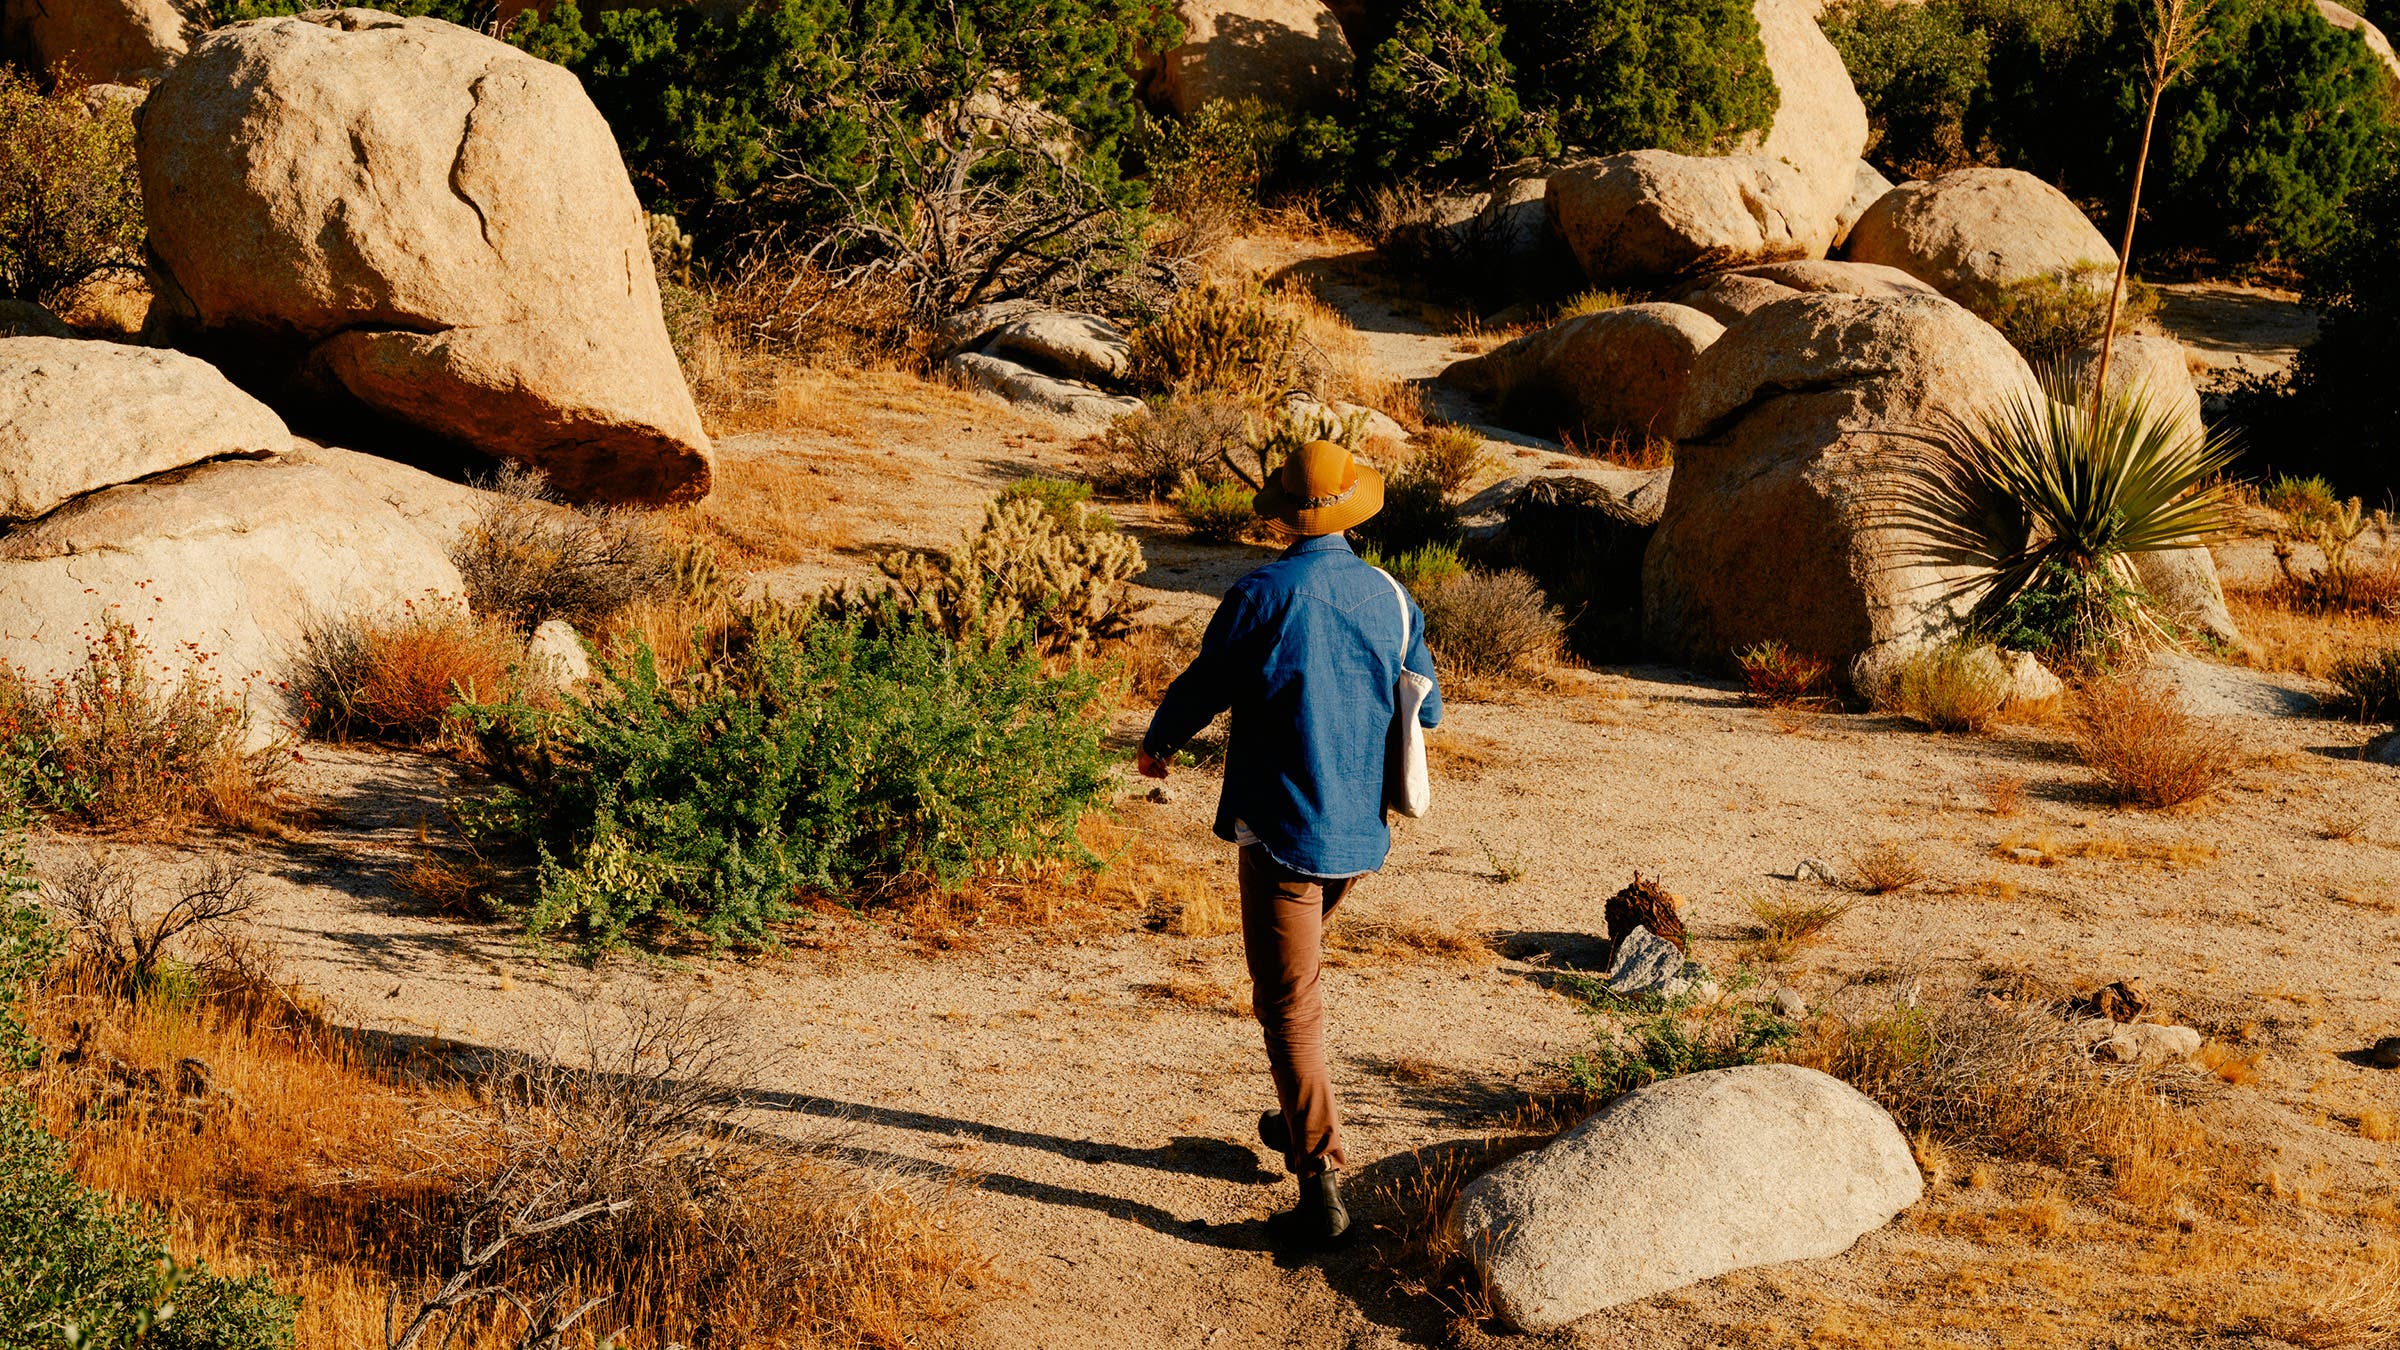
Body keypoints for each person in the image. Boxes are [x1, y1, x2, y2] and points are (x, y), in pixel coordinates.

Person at [1135, 438, 1443, 1249]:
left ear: (1283, 515)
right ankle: (1297, 1110)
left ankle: (1320, 1182)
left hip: (1281, 830)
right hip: (1360, 835)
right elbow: (1430, 709)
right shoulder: (1391, 595)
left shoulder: (1260, 594)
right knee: (1293, 978)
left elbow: (1205, 686)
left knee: (1287, 1002)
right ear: (1350, 509)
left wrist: (1159, 742)